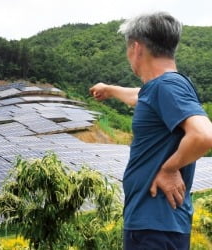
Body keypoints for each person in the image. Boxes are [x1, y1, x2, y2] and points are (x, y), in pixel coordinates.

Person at [90, 12, 212, 249]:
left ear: (136, 48)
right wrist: (109, 89)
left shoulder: (167, 86)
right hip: (157, 225)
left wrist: (169, 168)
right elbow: (140, 96)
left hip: (154, 227)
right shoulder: (160, 87)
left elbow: (204, 135)